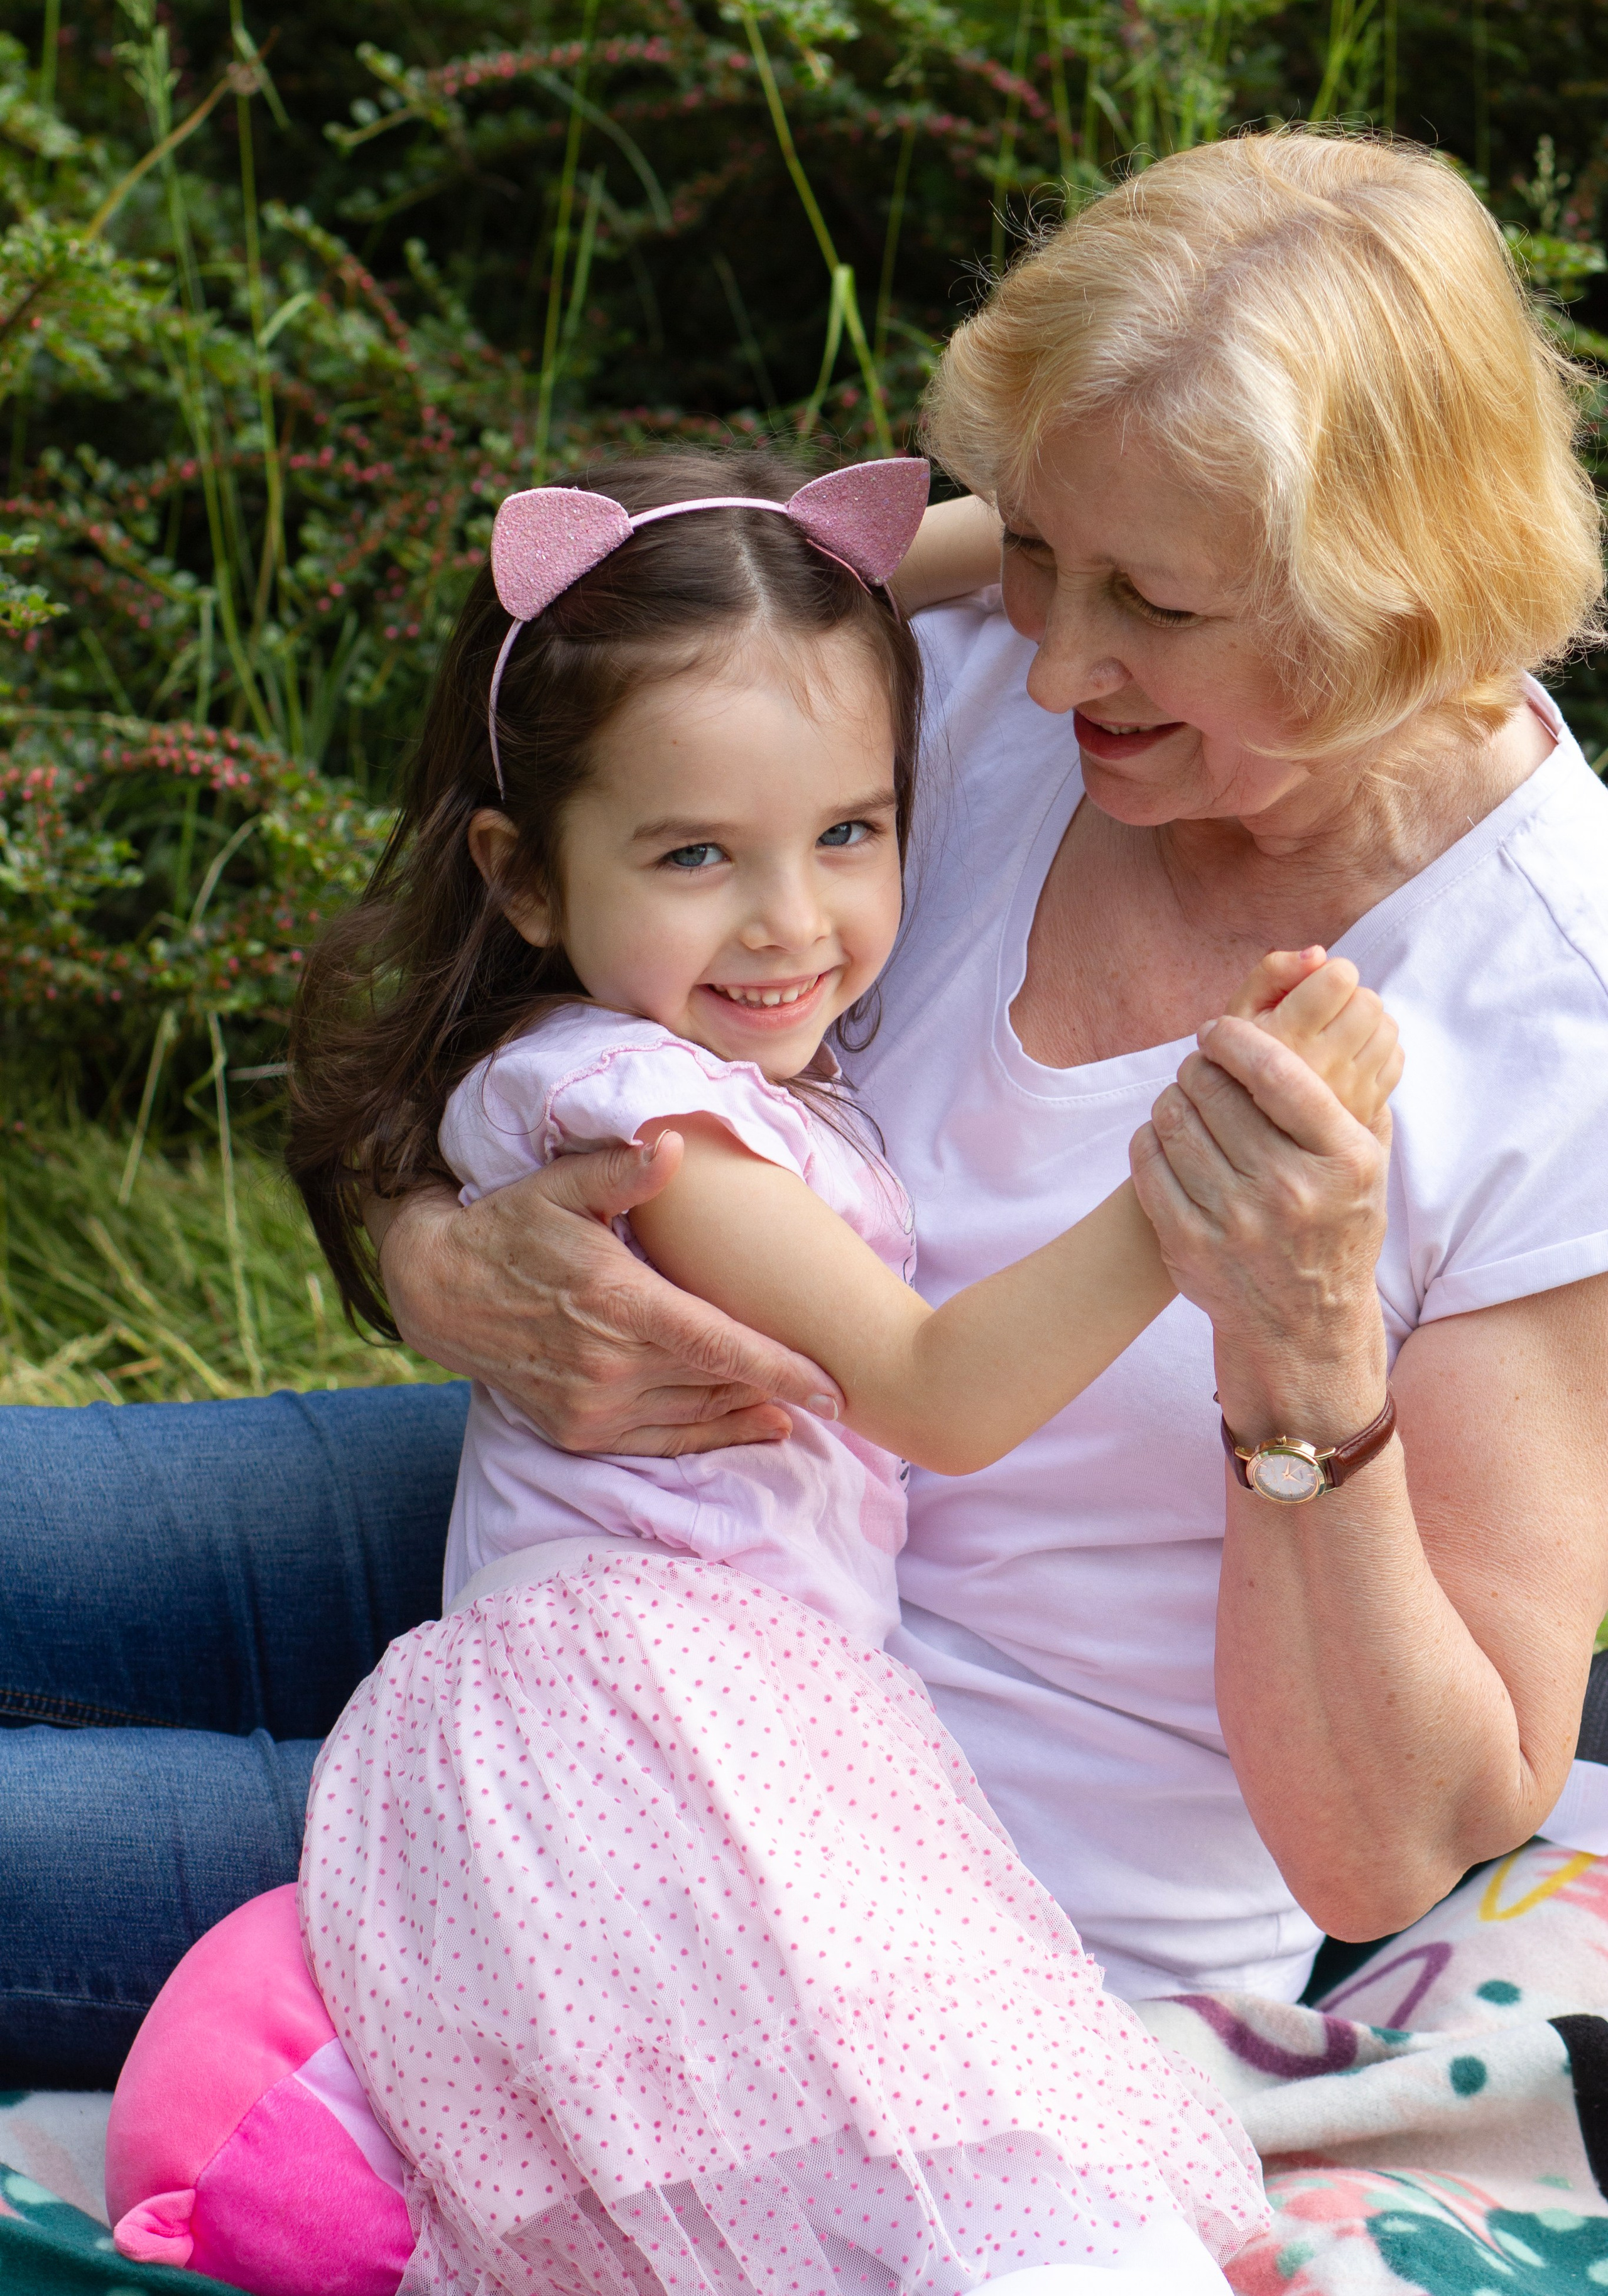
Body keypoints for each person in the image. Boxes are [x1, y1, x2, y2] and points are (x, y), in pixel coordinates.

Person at [1, 121, 1605, 2099]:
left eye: (1155, 604)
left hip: (837, 1876)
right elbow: (615, 659)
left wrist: (1296, 1361)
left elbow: (1406, 1840)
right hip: (576, 1541)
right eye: (1029, 542)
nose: (1054, 661)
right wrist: (451, 1254)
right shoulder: (970, 668)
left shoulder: (1557, 1017)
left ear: (1402, 597)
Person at [235, 445, 1378, 2296]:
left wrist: (864, 557)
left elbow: (793, 591)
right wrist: (1194, 1181)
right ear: (524, 880)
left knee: (903, 2112)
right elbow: (931, 1388)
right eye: (698, 857)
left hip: (742, 1710)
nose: (789, 921)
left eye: (850, 834)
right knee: (903, 2117)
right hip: (649, 1721)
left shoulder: (737, 1073)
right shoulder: (650, 1116)